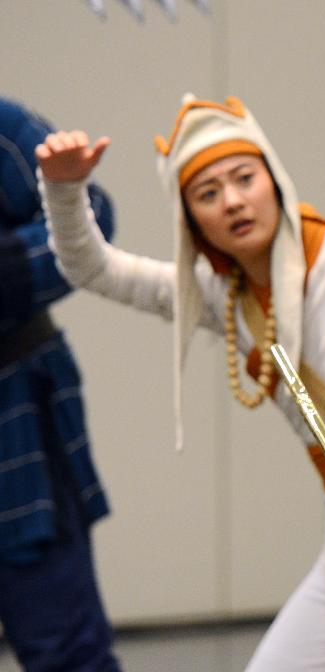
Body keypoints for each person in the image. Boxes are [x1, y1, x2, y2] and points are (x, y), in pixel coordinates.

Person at [36, 95, 325, 672]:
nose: (234, 202)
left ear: (274, 179)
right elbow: (92, 267)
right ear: (192, 221)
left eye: (244, 178)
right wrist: (64, 192)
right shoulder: (221, 297)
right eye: (208, 194)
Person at [0, 96, 120, 671]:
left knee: (67, 653)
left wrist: (6, 270)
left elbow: (89, 213)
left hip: (15, 426)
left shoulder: (2, 128)